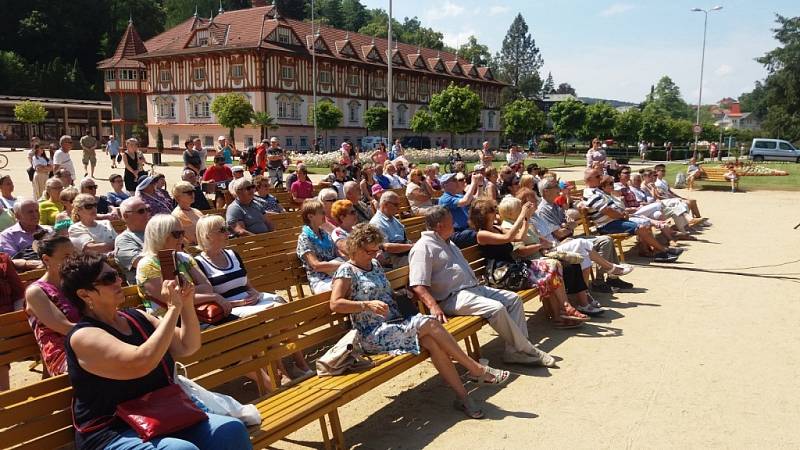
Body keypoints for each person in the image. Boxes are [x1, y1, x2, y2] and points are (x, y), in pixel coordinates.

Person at [62, 253, 251, 450]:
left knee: (231, 430)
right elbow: (141, 363)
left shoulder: (137, 317)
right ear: (84, 294)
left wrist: (185, 303)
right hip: (113, 430)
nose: (118, 280)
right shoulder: (83, 337)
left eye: (116, 274)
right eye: (108, 279)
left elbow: (188, 346)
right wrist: (172, 308)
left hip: (162, 415)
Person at [330, 223, 508, 419]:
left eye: (376, 250)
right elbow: (335, 304)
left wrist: (402, 294)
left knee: (432, 342)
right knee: (430, 323)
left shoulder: (375, 265)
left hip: (394, 324)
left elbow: (386, 294)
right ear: (355, 247)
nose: (373, 255)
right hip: (371, 333)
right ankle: (476, 369)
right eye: (368, 251)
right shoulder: (346, 271)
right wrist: (366, 305)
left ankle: (464, 398)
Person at [409, 207, 556, 367]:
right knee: (496, 308)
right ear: (439, 226)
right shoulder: (423, 248)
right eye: (451, 223)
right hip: (453, 297)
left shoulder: (447, 242)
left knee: (513, 300)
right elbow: (417, 284)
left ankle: (514, 352)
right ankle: (528, 349)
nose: (455, 226)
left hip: (473, 289)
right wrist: (433, 306)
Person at [535, 181, 633, 291]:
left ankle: (612, 278)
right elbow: (559, 234)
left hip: (569, 239)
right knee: (601, 242)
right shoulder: (544, 210)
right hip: (561, 243)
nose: (559, 189)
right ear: (546, 191)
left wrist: (568, 226)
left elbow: (568, 225)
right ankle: (601, 282)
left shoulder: (556, 205)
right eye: (556, 187)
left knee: (606, 240)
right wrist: (569, 227)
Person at [136, 214, 231, 317]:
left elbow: (207, 288)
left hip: (197, 315)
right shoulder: (148, 265)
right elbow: (171, 300)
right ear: (160, 235)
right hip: (168, 323)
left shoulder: (184, 258)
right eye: (177, 234)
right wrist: (213, 296)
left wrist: (183, 291)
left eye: (182, 233)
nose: (182, 238)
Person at [583, 169, 679, 262]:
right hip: (607, 225)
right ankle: (663, 251)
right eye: (597, 176)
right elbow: (607, 211)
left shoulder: (596, 190)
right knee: (641, 227)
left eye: (600, 175)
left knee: (644, 224)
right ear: (589, 179)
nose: (600, 177)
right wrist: (621, 215)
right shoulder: (591, 193)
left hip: (614, 221)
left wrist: (622, 214)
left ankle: (658, 250)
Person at [24, 232, 80, 377]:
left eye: (74, 255)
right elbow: (64, 327)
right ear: (46, 259)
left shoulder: (75, 283)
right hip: (62, 354)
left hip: (90, 344)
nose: (73, 260)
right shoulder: (36, 292)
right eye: (66, 257)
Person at [296, 199, 343, 293]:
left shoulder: (325, 234)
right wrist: (343, 265)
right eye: (321, 212)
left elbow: (338, 254)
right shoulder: (305, 238)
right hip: (320, 280)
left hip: (336, 273)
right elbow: (316, 266)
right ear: (310, 216)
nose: (324, 215)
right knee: (346, 284)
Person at [0, 199, 47, 272]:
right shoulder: (7, 235)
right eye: (30, 212)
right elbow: (9, 261)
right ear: (18, 216)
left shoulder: (49, 230)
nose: (35, 215)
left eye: (36, 211)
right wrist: (30, 263)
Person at [369, 192, 413, 269]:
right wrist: (412, 246)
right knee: (422, 258)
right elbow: (387, 247)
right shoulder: (376, 223)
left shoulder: (393, 219)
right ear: (385, 204)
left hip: (404, 254)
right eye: (396, 205)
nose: (398, 208)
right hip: (393, 260)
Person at [438, 172, 481, 248]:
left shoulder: (457, 195)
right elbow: (465, 201)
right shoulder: (444, 198)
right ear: (445, 185)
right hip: (456, 234)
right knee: (483, 234)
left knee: (487, 230)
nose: (456, 182)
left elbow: (476, 199)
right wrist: (473, 183)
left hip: (467, 230)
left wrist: (480, 185)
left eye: (455, 179)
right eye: (453, 180)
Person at [115, 197, 150, 285]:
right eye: (141, 211)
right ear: (126, 216)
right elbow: (143, 263)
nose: (147, 213)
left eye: (148, 209)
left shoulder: (156, 232)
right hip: (148, 287)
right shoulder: (123, 240)